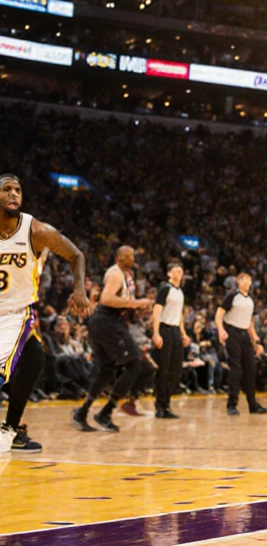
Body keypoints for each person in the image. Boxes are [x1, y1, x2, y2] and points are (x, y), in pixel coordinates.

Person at [0, 174, 91, 453]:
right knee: (33, 360)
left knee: (34, 360)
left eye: (18, 190)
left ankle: (10, 429)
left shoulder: (36, 231)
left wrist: (79, 290)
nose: (14, 194)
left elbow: (76, 255)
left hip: (17, 313)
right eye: (6, 189)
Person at [72, 246, 153, 434]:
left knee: (107, 372)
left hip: (103, 322)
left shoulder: (124, 275)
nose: (131, 258)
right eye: (127, 255)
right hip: (107, 320)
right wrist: (135, 303)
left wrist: (136, 305)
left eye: (133, 255)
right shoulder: (116, 273)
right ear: (118, 258)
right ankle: (105, 413)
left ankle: (82, 412)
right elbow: (107, 299)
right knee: (134, 365)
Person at [215, 273, 267, 416]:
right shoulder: (232, 296)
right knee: (236, 369)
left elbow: (249, 322)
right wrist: (221, 330)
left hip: (245, 333)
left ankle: (253, 405)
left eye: (249, 280)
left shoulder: (250, 301)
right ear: (238, 282)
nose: (247, 282)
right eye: (244, 279)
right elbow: (219, 314)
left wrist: (255, 339)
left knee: (251, 368)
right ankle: (232, 404)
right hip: (232, 332)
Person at [151, 262, 187, 418]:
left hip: (176, 331)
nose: (179, 273)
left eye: (181, 270)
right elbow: (157, 311)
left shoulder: (180, 292)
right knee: (163, 369)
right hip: (164, 329)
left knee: (176, 370)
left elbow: (180, 316)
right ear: (169, 273)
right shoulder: (165, 289)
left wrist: (184, 333)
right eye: (176, 270)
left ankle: (167, 404)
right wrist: (156, 333)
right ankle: (160, 405)